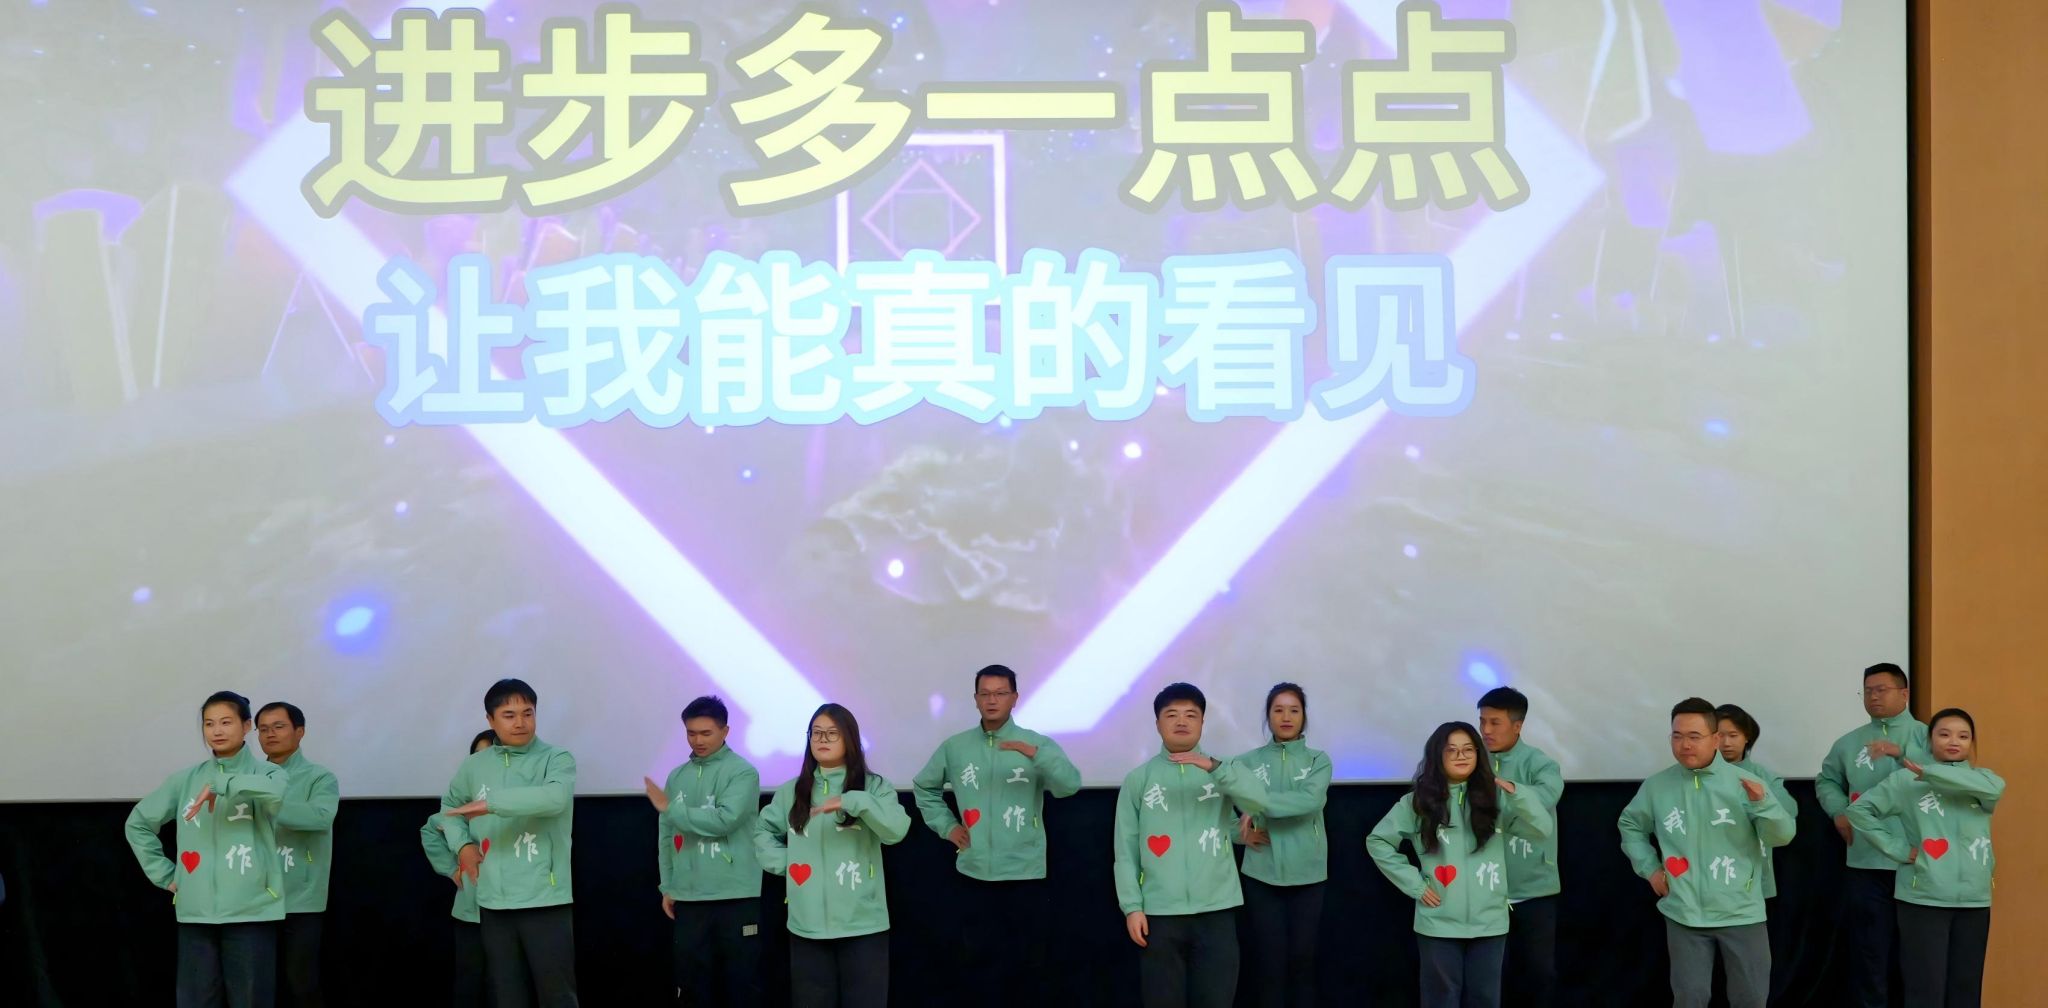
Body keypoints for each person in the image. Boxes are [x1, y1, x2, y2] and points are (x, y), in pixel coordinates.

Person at [911, 664, 1082, 1005]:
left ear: (1014, 698)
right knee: (977, 967)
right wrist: (949, 827)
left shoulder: (1036, 743)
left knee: (1027, 967)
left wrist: (1036, 756)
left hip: (1025, 873)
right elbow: (924, 788)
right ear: (975, 699)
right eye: (985, 694)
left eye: (1000, 693)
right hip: (974, 874)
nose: (992, 700)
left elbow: (1069, 785)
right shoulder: (956, 747)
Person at [1619, 698, 1795, 1008]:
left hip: (1741, 911)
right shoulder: (1657, 786)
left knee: (1751, 999)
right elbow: (1630, 825)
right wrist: (1651, 869)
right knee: (1690, 999)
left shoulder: (1747, 784)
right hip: (1684, 912)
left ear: (1715, 739)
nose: (1684, 744)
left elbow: (1782, 836)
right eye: (1677, 736)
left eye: (1694, 736)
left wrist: (1763, 804)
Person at [1369, 721, 1551, 1008]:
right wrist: (1416, 885)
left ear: (1478, 754)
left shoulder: (1497, 800)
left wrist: (1518, 793)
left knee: (1485, 999)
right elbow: (1378, 840)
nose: (1461, 756)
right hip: (1438, 923)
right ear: (1437, 756)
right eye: (1451, 750)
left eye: (1468, 749)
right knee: (1440, 1000)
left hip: (1490, 923)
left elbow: (1542, 829)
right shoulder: (1417, 802)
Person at [124, 690, 289, 1007]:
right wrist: (165, 875)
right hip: (196, 913)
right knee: (195, 1001)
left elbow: (276, 794)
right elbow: (138, 823)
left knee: (251, 1000)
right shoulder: (185, 780)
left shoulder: (268, 773)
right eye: (209, 723)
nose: (217, 730)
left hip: (251, 911)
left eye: (226, 722)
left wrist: (223, 784)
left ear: (246, 726)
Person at [1113, 682, 1269, 1008]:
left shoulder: (1223, 769)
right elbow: (1125, 850)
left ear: (1202, 722)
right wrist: (1132, 907)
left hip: (1217, 910)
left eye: (1191, 714)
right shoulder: (1138, 779)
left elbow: (1259, 801)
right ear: (1158, 724)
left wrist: (1214, 768)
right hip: (1159, 913)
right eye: (1171, 715)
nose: (1181, 721)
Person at [754, 703, 909, 1008]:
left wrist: (852, 801)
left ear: (849, 739)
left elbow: (896, 830)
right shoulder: (791, 791)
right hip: (806, 925)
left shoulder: (874, 788)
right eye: (816, 733)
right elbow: (762, 832)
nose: (822, 739)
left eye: (832, 733)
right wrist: (788, 865)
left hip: (863, 924)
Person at [1847, 708, 2002, 1008]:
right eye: (1944, 734)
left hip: (1975, 899)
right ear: (1930, 741)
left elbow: (1996, 789)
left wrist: (1929, 772)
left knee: (1966, 990)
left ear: (1972, 743)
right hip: (1923, 899)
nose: (1953, 741)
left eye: (1963, 736)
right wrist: (1899, 849)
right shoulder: (1905, 781)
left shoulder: (1984, 781)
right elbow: (1859, 811)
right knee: (1925, 991)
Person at [439, 679, 579, 1007]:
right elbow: (450, 809)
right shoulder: (474, 765)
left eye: (528, 713)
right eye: (509, 715)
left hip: (544, 897)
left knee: (557, 995)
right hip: (493, 900)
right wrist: (463, 846)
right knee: (506, 994)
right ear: (490, 720)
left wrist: (490, 803)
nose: (520, 722)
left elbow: (555, 798)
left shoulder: (556, 758)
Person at [1815, 662, 1930, 1008]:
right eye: (1867, 691)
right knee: (1870, 954)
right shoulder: (1849, 742)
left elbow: (1946, 777)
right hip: (1866, 862)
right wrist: (1838, 811)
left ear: (1904, 694)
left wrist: (1902, 754)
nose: (1873, 696)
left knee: (1919, 956)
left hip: (1917, 862)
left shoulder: (1926, 736)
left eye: (1882, 689)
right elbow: (1827, 780)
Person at [643, 696, 763, 1008]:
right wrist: (668, 886)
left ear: (725, 731)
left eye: (706, 733)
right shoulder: (677, 776)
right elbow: (666, 836)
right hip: (689, 896)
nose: (698, 741)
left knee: (740, 985)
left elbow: (725, 820)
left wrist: (672, 808)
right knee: (692, 987)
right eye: (691, 733)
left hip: (735, 894)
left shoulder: (743, 772)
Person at [1233, 682, 1331, 1008]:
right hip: (1261, 873)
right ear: (1268, 716)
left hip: (1309, 874)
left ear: (1303, 716)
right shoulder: (1246, 763)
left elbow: (1309, 801)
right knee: (1268, 964)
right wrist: (1238, 833)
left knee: (1303, 962)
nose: (1286, 717)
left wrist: (1257, 803)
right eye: (1278, 710)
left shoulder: (1319, 760)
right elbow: (1215, 807)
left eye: (1294, 710)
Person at [1475, 687, 1564, 1008]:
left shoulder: (1541, 764)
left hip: (1533, 891)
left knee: (1537, 974)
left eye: (1494, 722)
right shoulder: (1472, 761)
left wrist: (1512, 790)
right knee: (1488, 976)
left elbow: (1546, 797)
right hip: (1483, 888)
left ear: (1518, 725)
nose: (1485, 730)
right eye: (1482, 721)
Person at [257, 701, 340, 1008]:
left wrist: (266, 804)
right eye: (263, 729)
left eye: (278, 727)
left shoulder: (319, 777)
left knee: (300, 983)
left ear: (300, 731)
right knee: (256, 984)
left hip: (301, 898)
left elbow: (320, 818)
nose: (270, 734)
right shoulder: (251, 776)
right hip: (252, 897)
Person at [421, 730, 499, 1007]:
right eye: (478, 755)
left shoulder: (513, 803)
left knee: (505, 983)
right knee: (470, 980)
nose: (483, 760)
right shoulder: (463, 807)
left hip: (511, 908)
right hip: (471, 910)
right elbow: (431, 828)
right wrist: (453, 867)